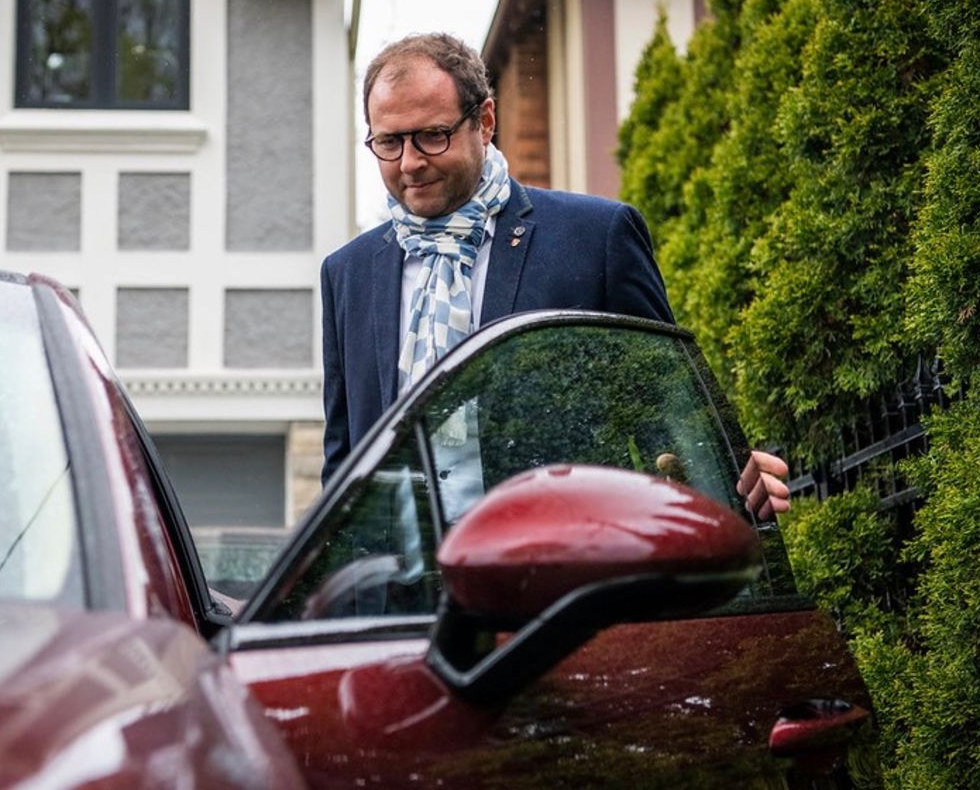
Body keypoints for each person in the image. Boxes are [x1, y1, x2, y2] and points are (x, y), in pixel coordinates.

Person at [320, 32, 791, 520]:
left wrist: (733, 491)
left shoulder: (596, 239)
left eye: (432, 136)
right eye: (390, 142)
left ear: (485, 122)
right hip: (397, 590)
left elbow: (666, 418)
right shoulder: (347, 275)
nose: (410, 163)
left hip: (560, 577)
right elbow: (342, 468)